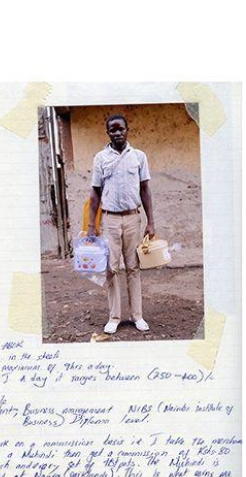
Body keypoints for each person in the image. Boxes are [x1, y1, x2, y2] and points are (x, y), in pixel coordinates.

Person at [87, 113, 155, 335]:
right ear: (108, 133)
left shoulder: (139, 157)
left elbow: (145, 190)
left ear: (128, 130)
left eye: (120, 129)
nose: (117, 133)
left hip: (133, 218)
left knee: (133, 268)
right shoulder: (100, 158)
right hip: (110, 220)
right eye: (112, 130)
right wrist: (91, 225)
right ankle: (114, 317)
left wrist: (150, 222)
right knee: (111, 268)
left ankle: (137, 316)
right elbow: (95, 192)